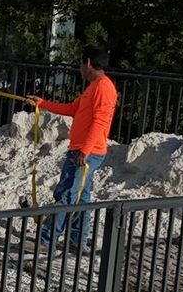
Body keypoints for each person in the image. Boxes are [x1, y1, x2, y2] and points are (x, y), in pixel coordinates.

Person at [28, 46, 119, 250]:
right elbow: (72, 109)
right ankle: (78, 242)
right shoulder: (94, 87)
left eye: (80, 63)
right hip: (83, 151)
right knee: (82, 197)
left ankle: (46, 241)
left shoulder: (103, 88)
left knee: (67, 193)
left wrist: (84, 151)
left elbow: (100, 122)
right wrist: (42, 103)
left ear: (88, 63)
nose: (79, 68)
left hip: (86, 153)